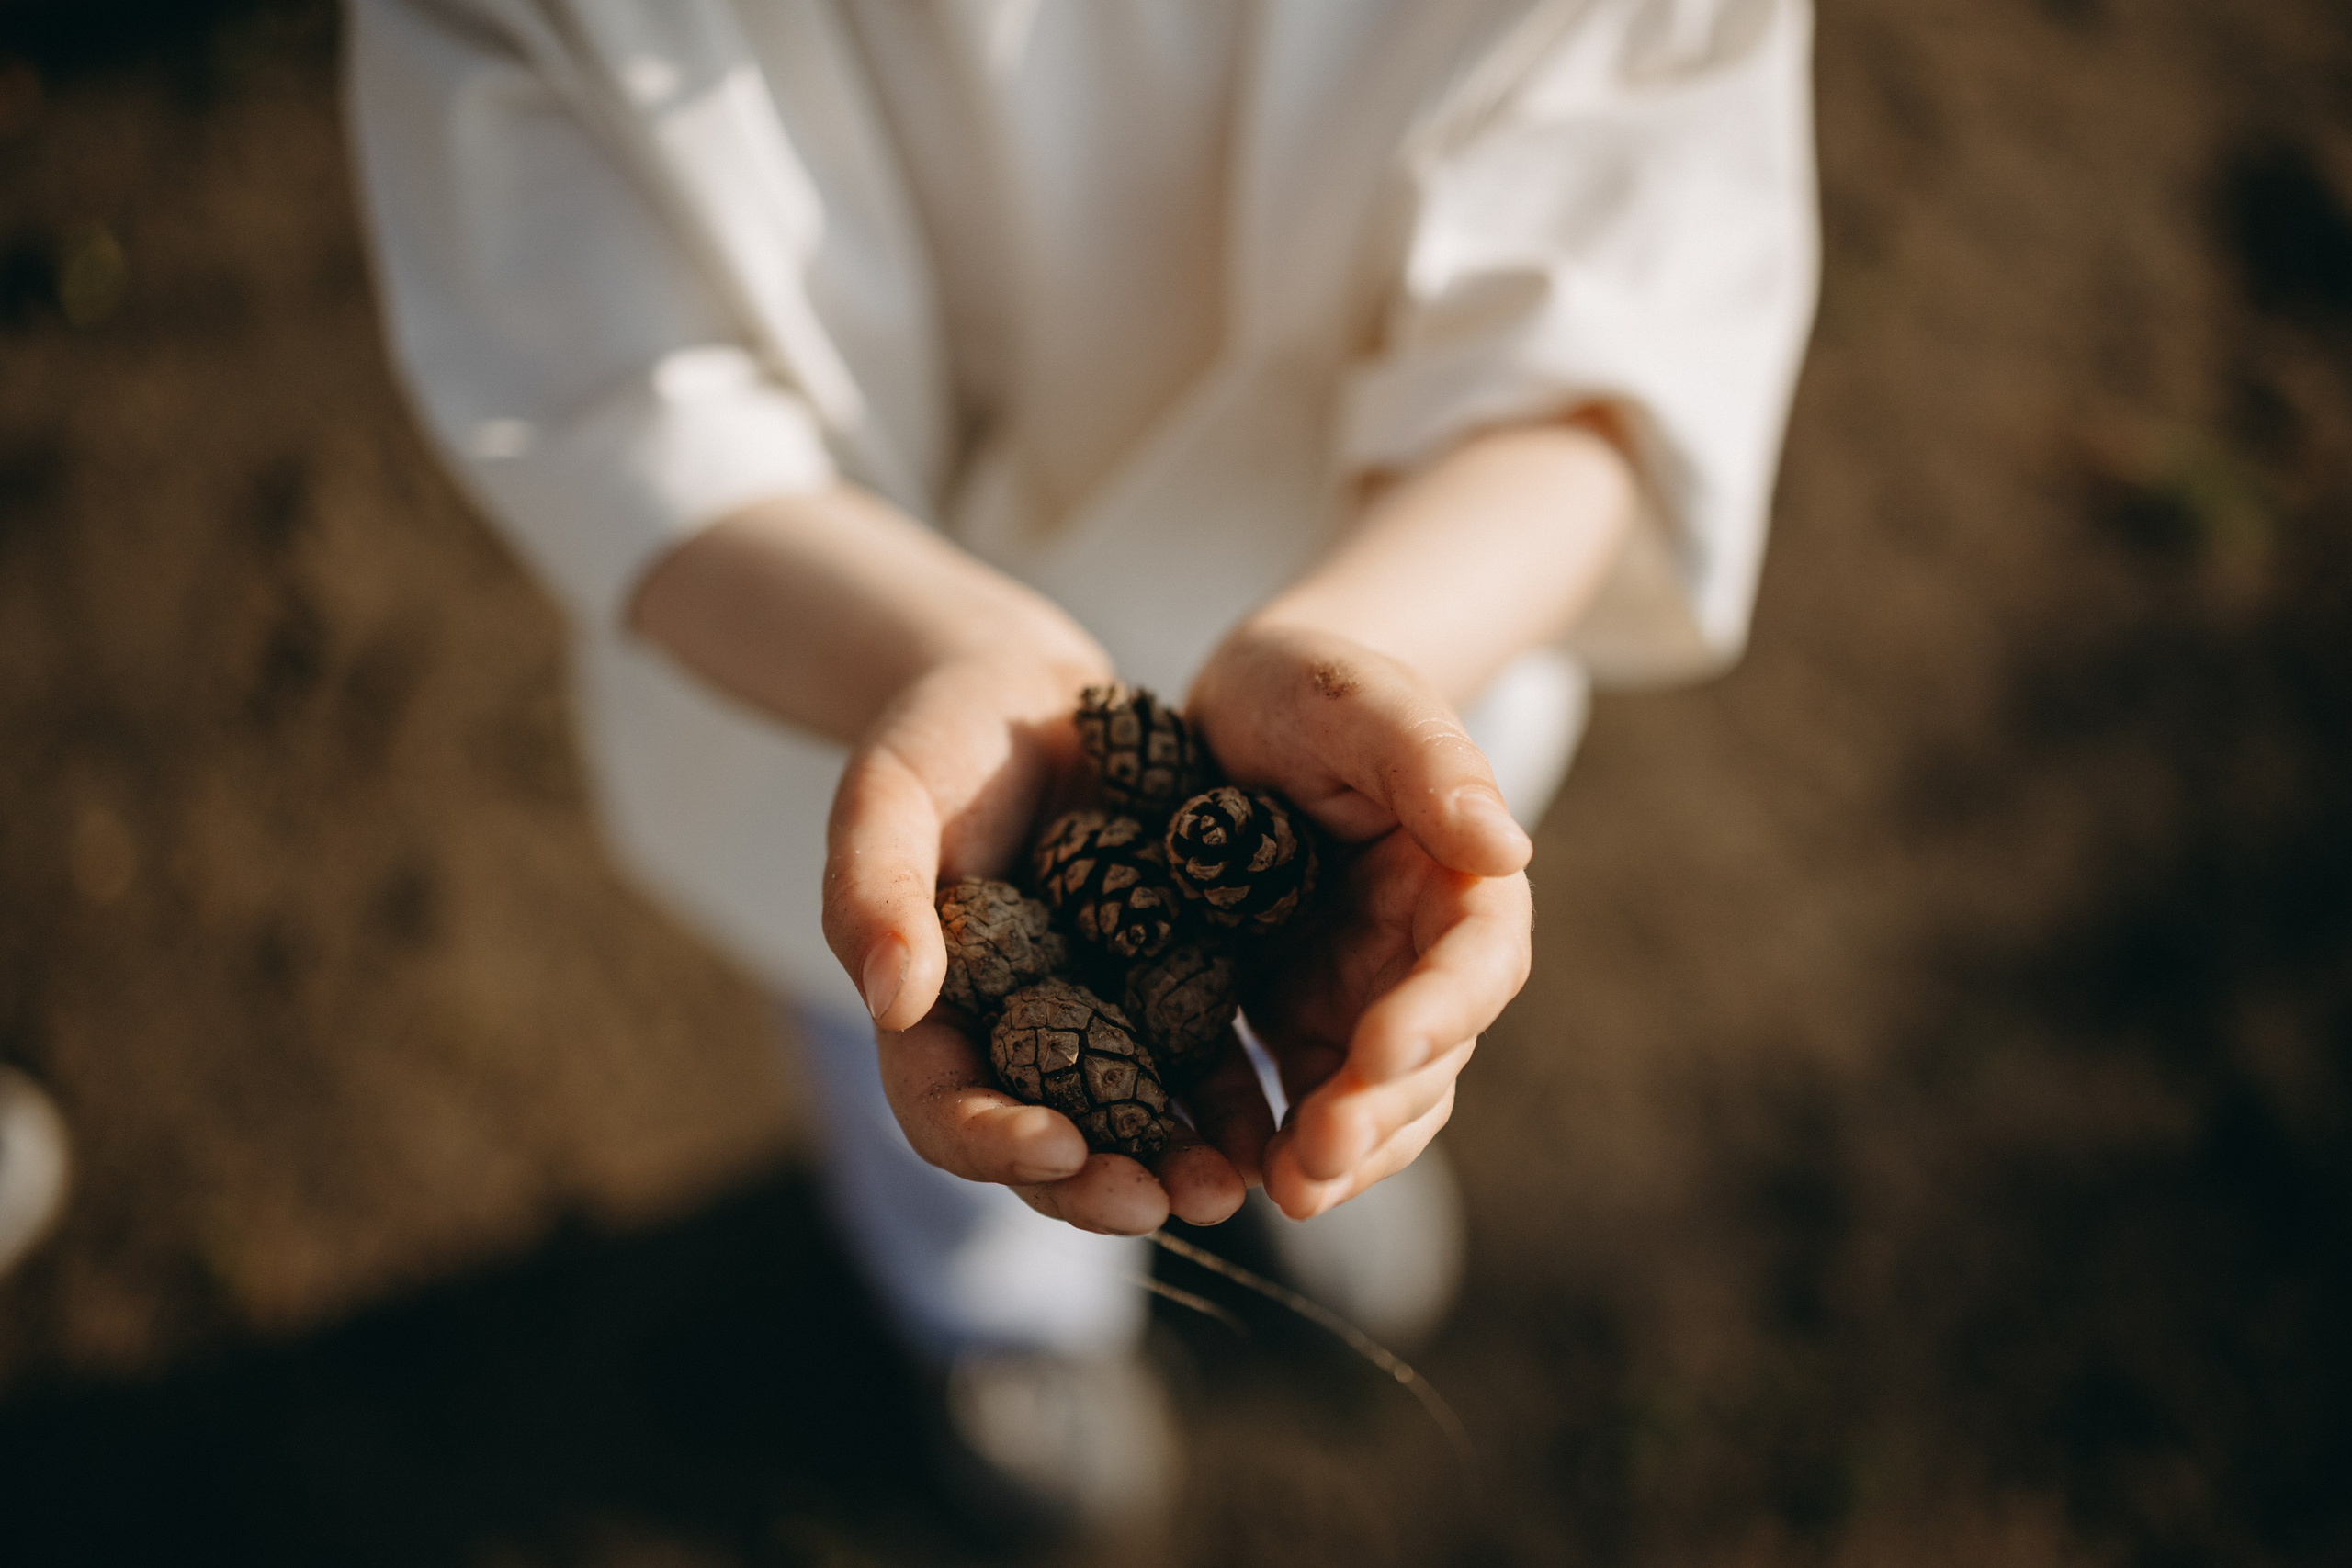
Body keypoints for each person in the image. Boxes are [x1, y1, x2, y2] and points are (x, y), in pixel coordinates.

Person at [345, 0, 1817, 1536]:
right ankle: (1008, 1322)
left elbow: (1614, 298)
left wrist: (1353, 644)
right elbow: (600, 380)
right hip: (829, 671)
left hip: (1388, 619)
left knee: (1342, 1035)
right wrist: (935, 652)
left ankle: (1291, 1164)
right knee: (909, 1038)